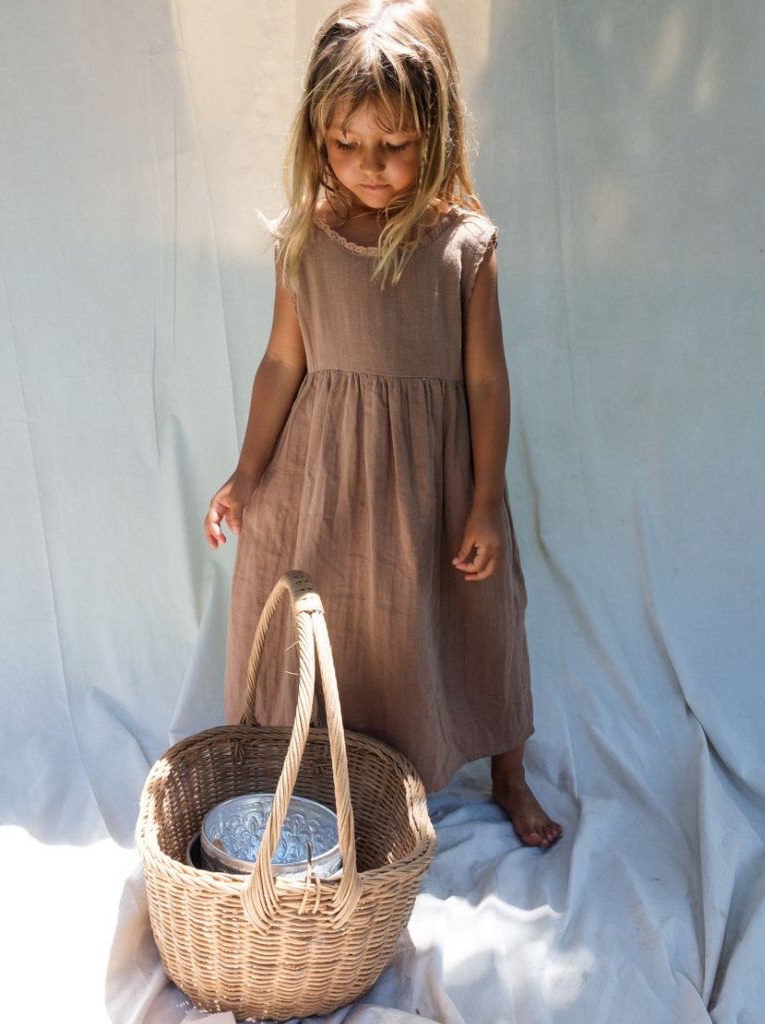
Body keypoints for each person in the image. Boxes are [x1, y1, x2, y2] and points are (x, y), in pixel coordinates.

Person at [205, 0, 562, 849]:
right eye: (346, 143)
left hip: (433, 483)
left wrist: (486, 500)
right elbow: (282, 364)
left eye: (394, 144)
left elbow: (486, 378)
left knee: (475, 622)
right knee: (343, 625)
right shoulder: (306, 239)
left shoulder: (464, 245)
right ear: (316, 135)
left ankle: (510, 775)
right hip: (325, 479)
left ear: (435, 130)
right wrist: (247, 473)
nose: (368, 166)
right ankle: (333, 774)